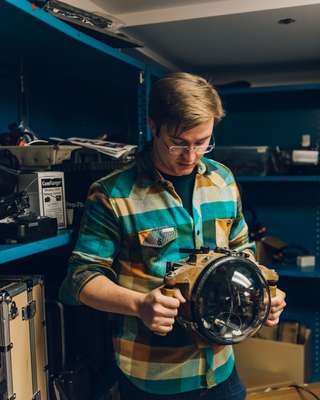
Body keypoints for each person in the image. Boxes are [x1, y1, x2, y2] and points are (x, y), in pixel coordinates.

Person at [60, 72, 286, 400]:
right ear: (154, 127)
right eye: (179, 142)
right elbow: (81, 279)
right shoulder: (113, 193)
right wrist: (140, 305)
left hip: (222, 368)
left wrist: (258, 292)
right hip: (155, 377)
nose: (192, 156)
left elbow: (241, 248)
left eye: (203, 142)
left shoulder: (223, 179)